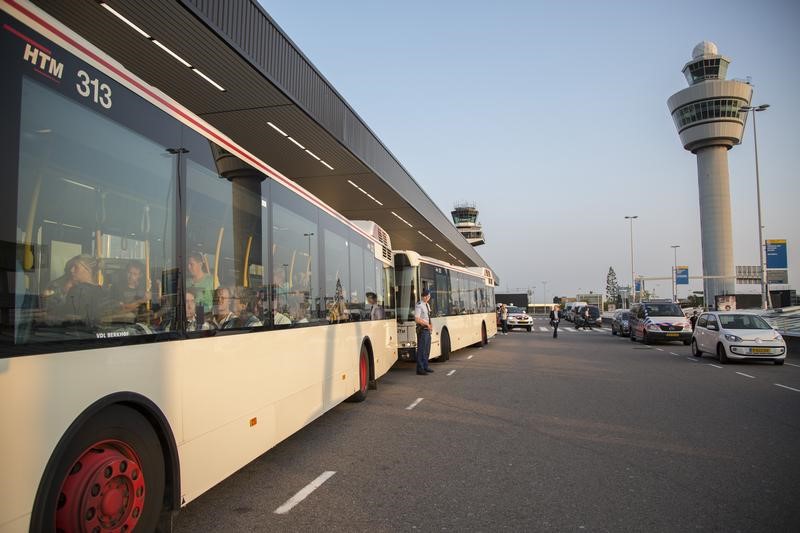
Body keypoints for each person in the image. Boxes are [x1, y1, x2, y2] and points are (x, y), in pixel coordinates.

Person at [414, 288, 433, 375]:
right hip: (422, 330)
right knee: (421, 350)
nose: (428, 297)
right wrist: (427, 324)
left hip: (427, 330)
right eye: (427, 296)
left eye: (429, 296)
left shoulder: (427, 305)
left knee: (427, 349)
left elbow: (428, 317)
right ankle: (420, 369)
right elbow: (417, 319)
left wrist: (430, 325)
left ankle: (425, 366)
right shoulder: (419, 305)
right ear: (424, 296)